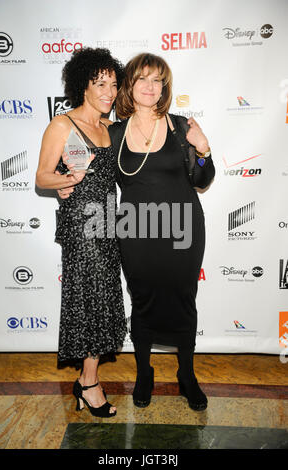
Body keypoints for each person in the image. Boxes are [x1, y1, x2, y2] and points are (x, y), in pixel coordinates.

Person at [59, 52, 215, 412]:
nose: (150, 86)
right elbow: (86, 176)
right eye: (142, 79)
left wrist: (204, 150)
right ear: (130, 86)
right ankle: (144, 373)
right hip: (136, 231)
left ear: (164, 87)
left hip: (182, 228)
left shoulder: (180, 127)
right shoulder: (113, 132)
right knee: (142, 299)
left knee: (183, 298)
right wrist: (63, 185)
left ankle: (186, 375)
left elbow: (202, 179)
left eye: (157, 80)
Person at [36, 47, 127, 418]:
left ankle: (86, 381)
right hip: (80, 227)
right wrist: (64, 179)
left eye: (113, 84)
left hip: (109, 224)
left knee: (104, 301)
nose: (108, 91)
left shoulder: (109, 127)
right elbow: (42, 176)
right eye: (99, 83)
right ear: (83, 86)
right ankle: (89, 384)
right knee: (90, 302)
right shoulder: (62, 125)